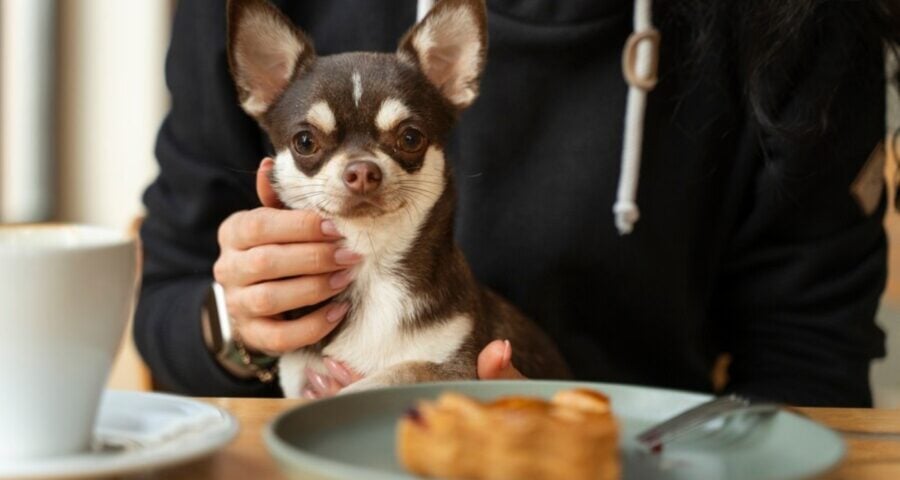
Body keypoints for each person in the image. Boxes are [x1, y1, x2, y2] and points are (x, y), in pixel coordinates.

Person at [136, 0, 900, 406]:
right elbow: (166, 299)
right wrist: (242, 325)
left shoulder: (806, 20)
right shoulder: (259, 33)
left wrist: (604, 450)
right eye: (313, 145)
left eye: (401, 142)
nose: (361, 172)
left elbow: (810, 363)